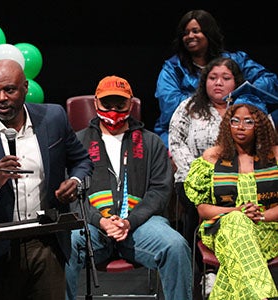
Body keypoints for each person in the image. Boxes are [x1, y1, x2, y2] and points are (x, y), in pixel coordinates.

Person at [0, 59, 93, 300]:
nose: (1, 97)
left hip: (46, 243)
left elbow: (82, 161)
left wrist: (75, 182)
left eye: (9, 90)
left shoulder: (53, 118)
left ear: (25, 87)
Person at [65, 75, 193, 300]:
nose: (113, 109)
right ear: (96, 103)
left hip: (140, 225)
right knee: (66, 244)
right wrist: (101, 221)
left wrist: (128, 221)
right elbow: (73, 194)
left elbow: (160, 191)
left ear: (131, 103)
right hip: (93, 225)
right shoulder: (78, 142)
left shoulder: (151, 141)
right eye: (107, 103)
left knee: (176, 246)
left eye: (120, 103)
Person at [184, 91, 278, 299]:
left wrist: (260, 216)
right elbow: (203, 209)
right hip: (222, 228)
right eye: (234, 121)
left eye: (248, 122)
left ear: (260, 125)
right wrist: (237, 212)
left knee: (235, 259)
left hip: (268, 230)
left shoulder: (275, 156)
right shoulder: (212, 158)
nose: (240, 127)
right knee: (236, 222)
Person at [169, 57, 245, 294]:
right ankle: (206, 272)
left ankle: (231, 270)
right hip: (194, 178)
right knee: (198, 206)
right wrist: (199, 173)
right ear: (205, 82)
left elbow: (266, 142)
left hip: (240, 180)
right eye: (213, 78)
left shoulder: (246, 109)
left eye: (225, 78)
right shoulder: (189, 107)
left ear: (236, 82)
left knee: (244, 211)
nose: (218, 83)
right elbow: (176, 141)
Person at [154, 9, 278, 149]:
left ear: (209, 33)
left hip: (235, 120)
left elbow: (269, 81)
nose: (190, 36)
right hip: (189, 126)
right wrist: (214, 100)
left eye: (196, 31)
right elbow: (170, 106)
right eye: (185, 33)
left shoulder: (234, 60)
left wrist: (238, 99)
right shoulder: (173, 68)